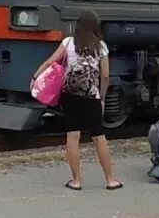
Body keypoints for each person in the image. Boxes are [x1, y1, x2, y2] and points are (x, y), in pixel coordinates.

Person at [31, 11, 123, 191]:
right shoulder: (101, 47)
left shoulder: (68, 43)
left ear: (77, 26)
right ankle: (111, 180)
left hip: (70, 96)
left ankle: (76, 181)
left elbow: (51, 63)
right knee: (99, 137)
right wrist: (102, 97)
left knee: (73, 137)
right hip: (91, 96)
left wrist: (35, 77)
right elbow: (105, 76)